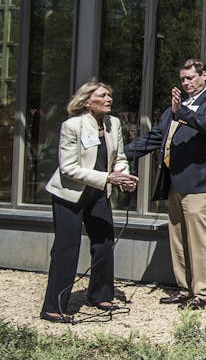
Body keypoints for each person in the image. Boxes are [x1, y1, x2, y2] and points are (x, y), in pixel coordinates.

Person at [126, 59, 206, 310]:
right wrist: (120, 154)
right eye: (182, 79)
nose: (186, 83)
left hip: (202, 184)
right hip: (175, 182)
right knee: (178, 239)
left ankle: (203, 295)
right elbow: (154, 138)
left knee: (200, 240)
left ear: (203, 76)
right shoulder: (174, 108)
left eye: (190, 78)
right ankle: (184, 289)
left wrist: (181, 112)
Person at [39, 81, 139, 322]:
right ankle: (53, 307)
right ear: (86, 101)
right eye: (102, 95)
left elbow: (120, 157)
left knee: (104, 242)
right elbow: (69, 168)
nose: (108, 99)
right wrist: (108, 177)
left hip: (98, 193)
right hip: (69, 194)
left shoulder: (113, 123)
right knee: (67, 247)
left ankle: (100, 295)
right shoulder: (72, 126)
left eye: (109, 95)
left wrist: (122, 176)